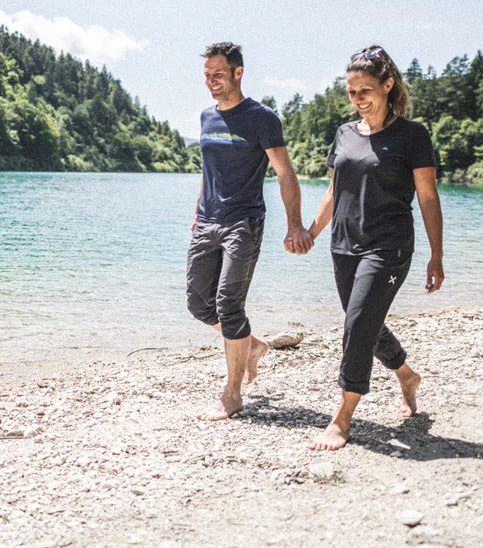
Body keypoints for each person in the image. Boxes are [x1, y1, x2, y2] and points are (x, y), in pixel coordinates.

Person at [306, 45, 444, 451]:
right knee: (361, 319)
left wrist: (436, 255)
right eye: (351, 92)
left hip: (389, 246)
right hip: (344, 244)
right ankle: (405, 373)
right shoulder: (345, 133)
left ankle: (342, 417)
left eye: (365, 90)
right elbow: (333, 192)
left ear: (388, 85)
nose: (358, 99)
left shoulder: (412, 136)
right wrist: (310, 233)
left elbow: (428, 196)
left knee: (358, 324)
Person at [187, 41, 314, 421]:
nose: (211, 81)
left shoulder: (261, 118)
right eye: (207, 74)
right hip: (206, 222)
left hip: (243, 222)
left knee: (228, 303)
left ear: (238, 73)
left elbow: (285, 173)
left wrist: (295, 224)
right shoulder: (206, 117)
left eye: (218, 74)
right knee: (198, 303)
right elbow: (208, 172)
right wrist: (197, 214)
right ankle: (252, 345)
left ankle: (232, 393)